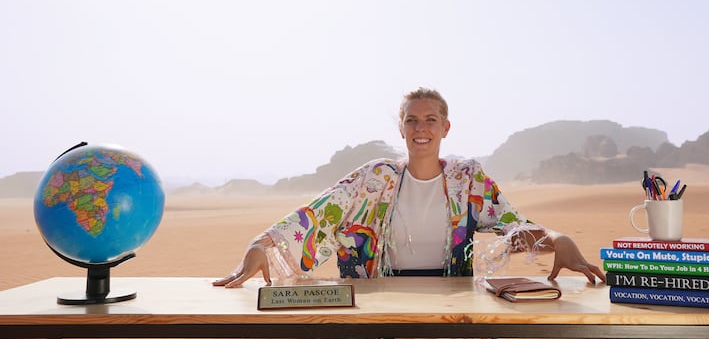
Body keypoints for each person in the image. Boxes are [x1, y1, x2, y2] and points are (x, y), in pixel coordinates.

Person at [213, 87, 605, 288]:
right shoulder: (374, 178)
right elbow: (318, 213)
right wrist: (263, 246)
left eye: (431, 119)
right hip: (376, 296)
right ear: (401, 127)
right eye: (412, 120)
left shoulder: (468, 179)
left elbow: (512, 226)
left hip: (451, 300)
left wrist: (558, 238)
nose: (421, 129)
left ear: (445, 128)